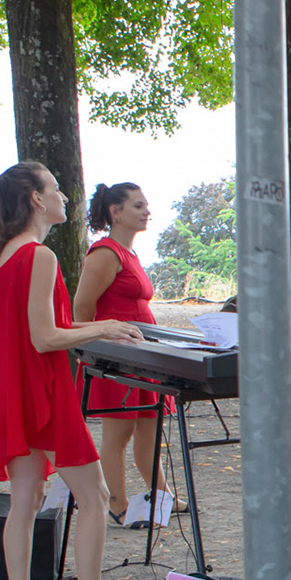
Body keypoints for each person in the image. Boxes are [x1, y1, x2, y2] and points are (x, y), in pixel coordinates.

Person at [0, 161, 144, 580]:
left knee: (24, 501)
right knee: (96, 498)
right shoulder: (36, 257)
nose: (65, 196)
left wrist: (96, 327)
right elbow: (45, 338)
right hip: (43, 389)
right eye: (56, 188)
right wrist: (105, 326)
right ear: (35, 199)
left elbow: (35, 333)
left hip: (11, 392)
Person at [71, 181, 174, 528]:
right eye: (137, 206)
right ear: (115, 212)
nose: (147, 211)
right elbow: (82, 308)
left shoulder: (129, 254)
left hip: (142, 354)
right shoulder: (104, 253)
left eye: (146, 205)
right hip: (115, 357)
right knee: (119, 434)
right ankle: (117, 503)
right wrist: (91, 354)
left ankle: (162, 497)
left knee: (150, 426)